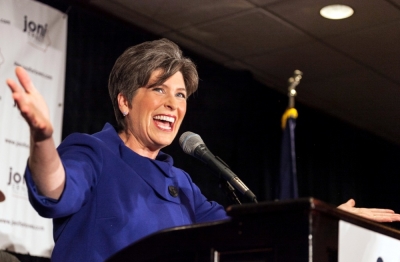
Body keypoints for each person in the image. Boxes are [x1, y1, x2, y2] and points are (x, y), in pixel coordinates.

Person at [6, 38, 400, 261]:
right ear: (125, 101)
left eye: (180, 95)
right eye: (158, 89)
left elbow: (247, 234)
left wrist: (325, 219)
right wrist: (42, 136)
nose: (173, 104)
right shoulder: (93, 152)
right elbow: (55, 189)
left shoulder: (181, 182)